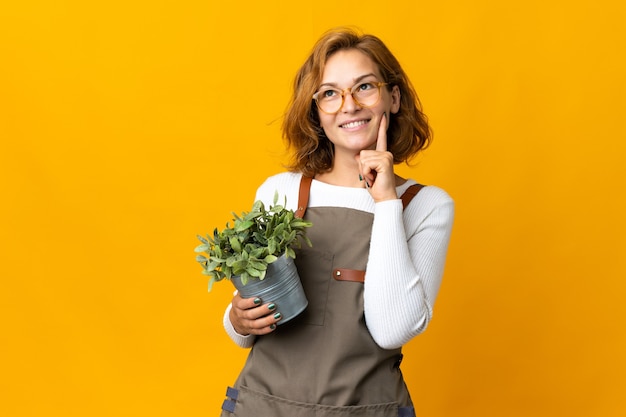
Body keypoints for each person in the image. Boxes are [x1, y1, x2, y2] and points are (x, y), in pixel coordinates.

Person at [219, 27, 454, 417]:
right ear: (316, 112)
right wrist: (238, 319)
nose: (348, 105)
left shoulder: (425, 205)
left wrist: (386, 203)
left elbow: (392, 329)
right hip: (262, 407)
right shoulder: (280, 192)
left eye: (364, 87)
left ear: (392, 98)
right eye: (330, 93)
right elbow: (242, 328)